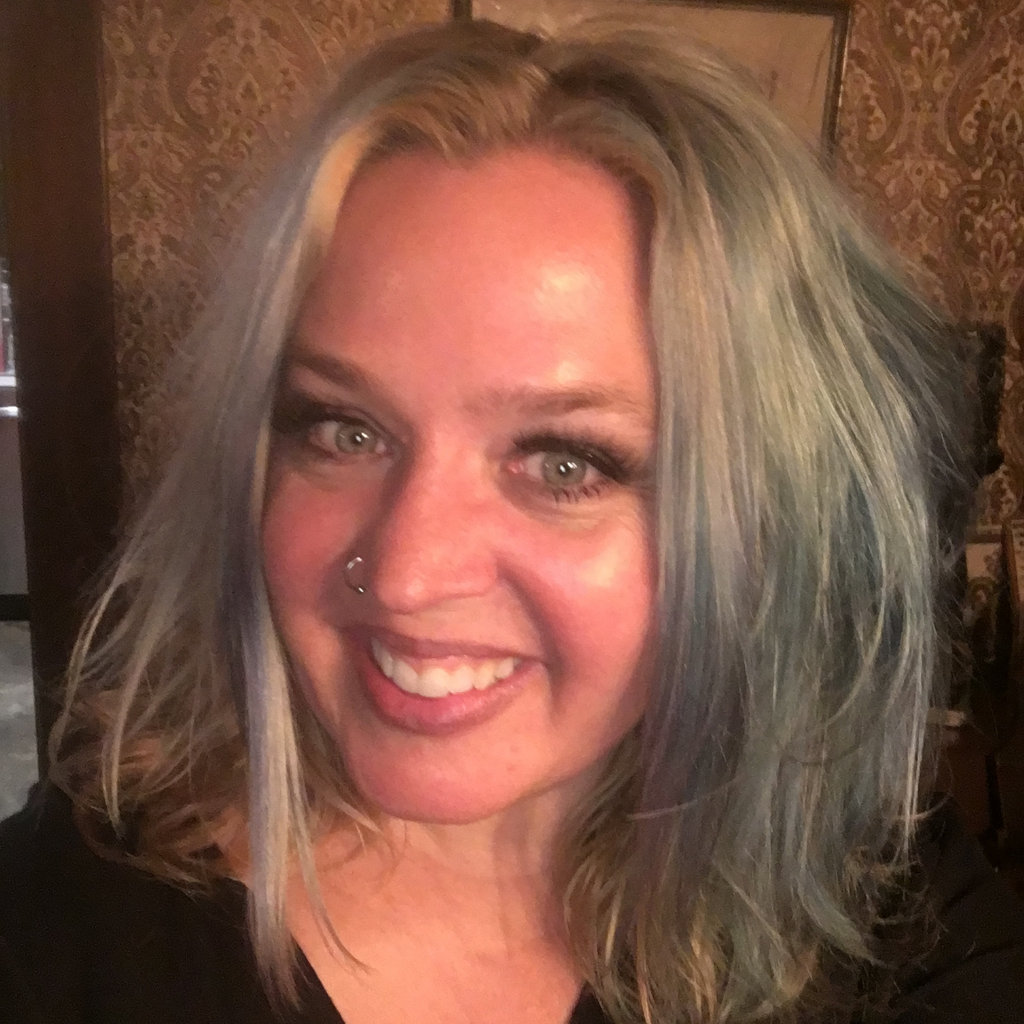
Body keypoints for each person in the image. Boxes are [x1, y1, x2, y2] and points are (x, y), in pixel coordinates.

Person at [2, 17, 1022, 1024]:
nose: (405, 572)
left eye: (564, 463)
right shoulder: (57, 932)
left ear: (766, 523)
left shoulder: (875, 904)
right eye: (345, 430)